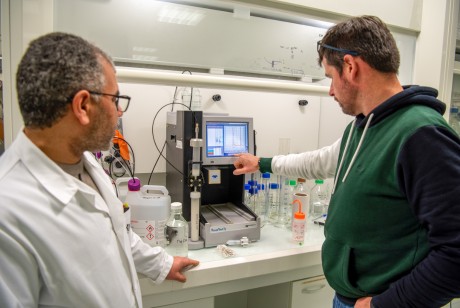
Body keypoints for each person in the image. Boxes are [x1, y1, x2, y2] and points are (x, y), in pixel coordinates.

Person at [234, 15, 460, 308]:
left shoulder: (421, 134)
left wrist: (383, 305)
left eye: (330, 77)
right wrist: (262, 163)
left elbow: (456, 252)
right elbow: (320, 161)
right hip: (351, 298)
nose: (329, 91)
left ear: (351, 67)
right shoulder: (366, 126)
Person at [0, 32, 199, 307]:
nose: (120, 112)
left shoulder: (84, 160)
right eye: (115, 99)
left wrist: (161, 264)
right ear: (82, 106)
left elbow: (116, 231)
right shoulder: (8, 214)